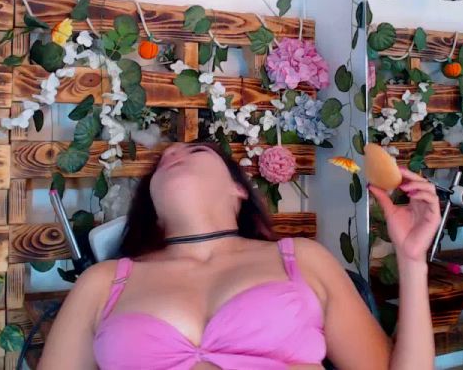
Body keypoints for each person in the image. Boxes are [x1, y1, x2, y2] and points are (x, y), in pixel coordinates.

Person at [40, 142, 440, 369]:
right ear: (153, 207)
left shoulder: (302, 259)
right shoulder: (103, 282)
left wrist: (411, 260)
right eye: (161, 163)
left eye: (195, 150)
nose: (173, 152)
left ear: (239, 190)